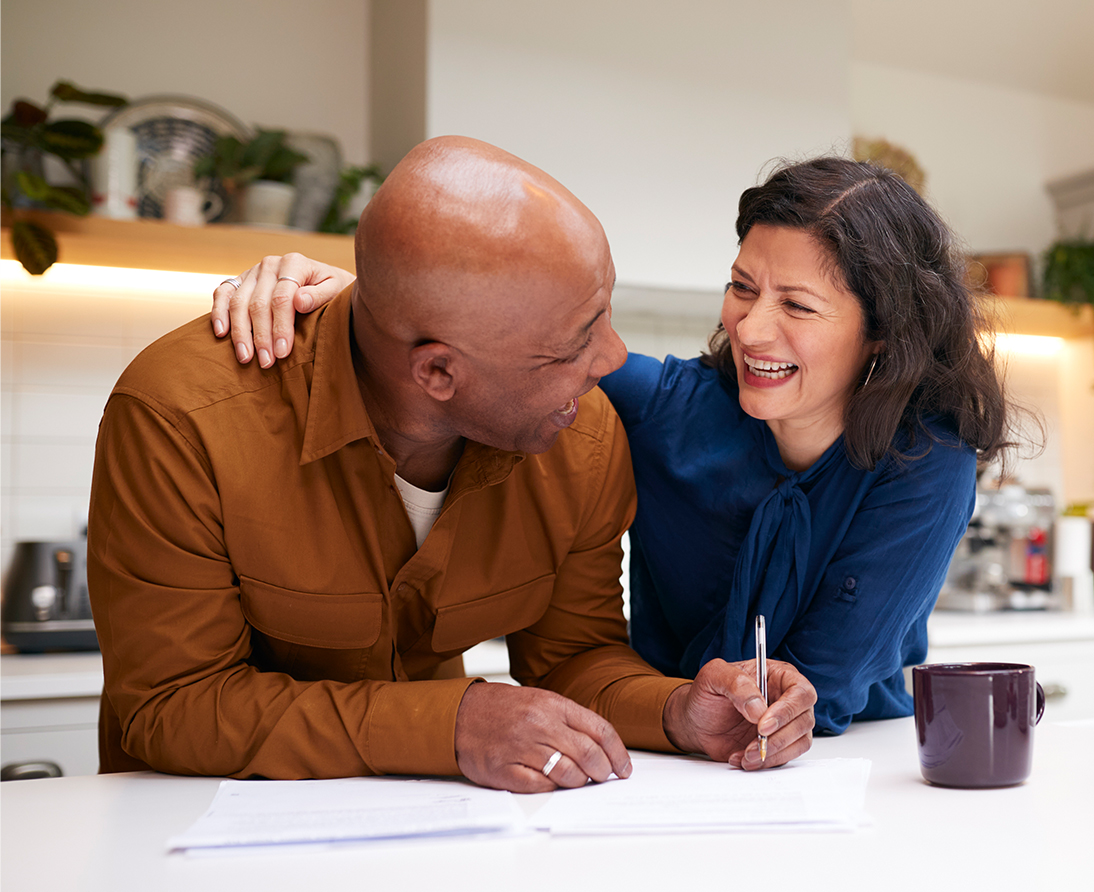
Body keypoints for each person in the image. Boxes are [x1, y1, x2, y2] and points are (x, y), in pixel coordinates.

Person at [88, 135, 817, 792]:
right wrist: (452, 725)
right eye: (571, 345)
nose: (612, 360)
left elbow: (572, 657)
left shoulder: (579, 434)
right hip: (186, 831)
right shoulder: (181, 417)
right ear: (437, 373)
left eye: (604, 314)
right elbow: (172, 705)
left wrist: (678, 709)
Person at [216, 156, 1018, 735]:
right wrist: (353, 297)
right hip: (665, 743)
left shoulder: (927, 462)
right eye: (742, 287)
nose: (751, 327)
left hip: (842, 767)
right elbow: (504, 349)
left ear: (884, 334)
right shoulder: (669, 409)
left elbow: (822, 691)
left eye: (797, 305)